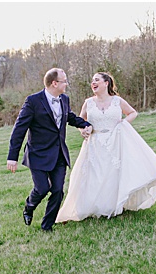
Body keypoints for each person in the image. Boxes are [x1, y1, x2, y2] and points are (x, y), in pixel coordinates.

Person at [56, 72, 156, 223]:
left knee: (113, 174)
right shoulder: (88, 103)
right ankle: (91, 207)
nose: (93, 83)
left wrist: (123, 124)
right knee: (94, 175)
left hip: (115, 142)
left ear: (106, 83)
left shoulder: (117, 101)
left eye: (96, 80)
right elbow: (80, 120)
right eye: (92, 81)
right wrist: (83, 129)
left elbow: (132, 113)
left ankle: (114, 205)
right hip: (94, 144)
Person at [8, 68, 93, 232]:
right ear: (54, 83)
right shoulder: (33, 101)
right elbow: (19, 130)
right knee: (42, 188)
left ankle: (47, 226)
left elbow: (69, 117)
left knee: (57, 191)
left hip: (59, 153)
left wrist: (86, 124)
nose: (67, 84)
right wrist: (12, 157)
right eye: (64, 81)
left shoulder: (64, 99)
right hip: (37, 154)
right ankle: (29, 206)